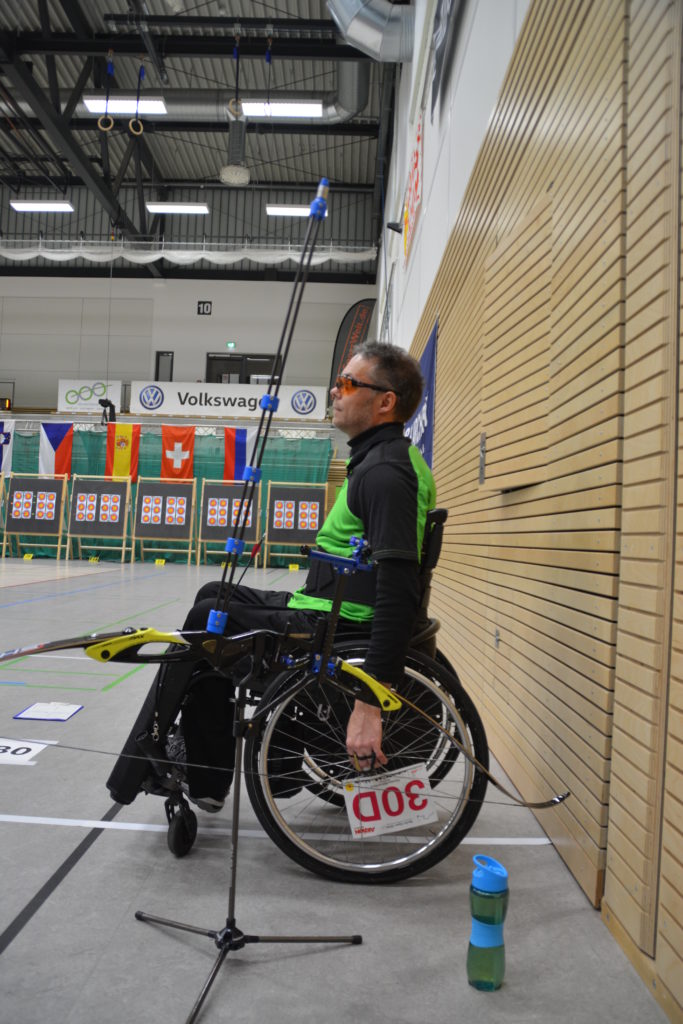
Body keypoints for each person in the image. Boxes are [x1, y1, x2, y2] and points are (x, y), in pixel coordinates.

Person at [107, 342, 435, 811]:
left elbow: (399, 588)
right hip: (331, 611)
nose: (334, 392)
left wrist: (370, 701)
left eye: (347, 384)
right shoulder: (379, 461)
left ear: (386, 402)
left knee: (208, 616)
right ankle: (206, 768)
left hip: (342, 628)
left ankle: (190, 772)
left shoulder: (385, 474)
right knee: (213, 595)